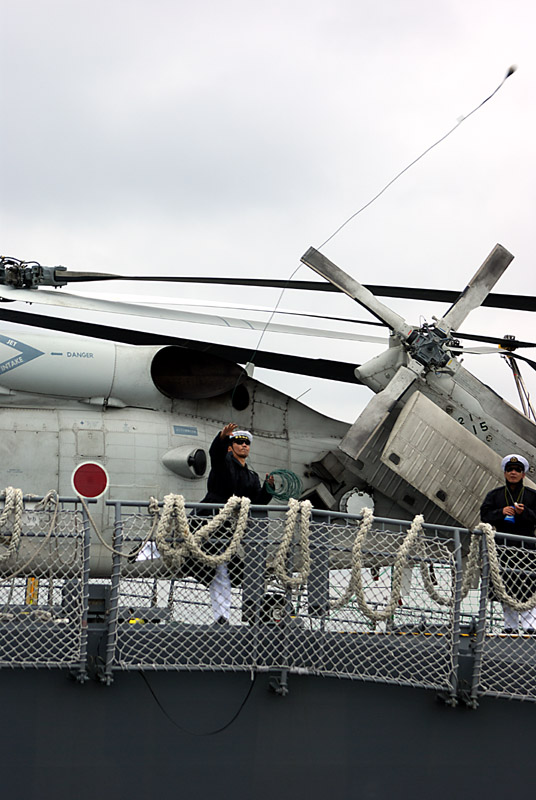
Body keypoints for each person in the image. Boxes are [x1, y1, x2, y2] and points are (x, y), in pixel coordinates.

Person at [198, 423, 274, 624]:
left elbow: (256, 503)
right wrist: (221, 439)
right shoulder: (224, 464)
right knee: (176, 544)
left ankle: (222, 617)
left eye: (246, 443)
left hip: (225, 529)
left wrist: (268, 489)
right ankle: (141, 551)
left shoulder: (251, 477)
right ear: (231, 447)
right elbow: (215, 454)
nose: (244, 445)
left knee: (221, 569)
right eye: (239, 442)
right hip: (207, 518)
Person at [480, 454, 536, 633]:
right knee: (505, 585)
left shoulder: (532, 496)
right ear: (505, 473)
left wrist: (525, 512)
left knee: (528, 585)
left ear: (523, 474)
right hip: (502, 548)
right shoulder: (494, 495)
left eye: (517, 470)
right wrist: (501, 512)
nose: (513, 473)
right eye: (510, 470)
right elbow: (485, 516)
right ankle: (509, 627)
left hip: (526, 548)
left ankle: (530, 627)